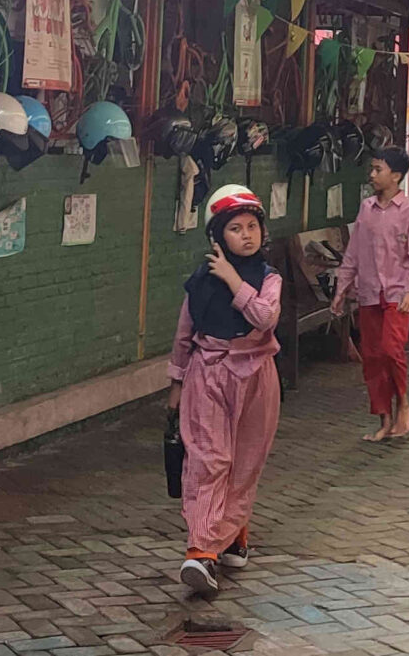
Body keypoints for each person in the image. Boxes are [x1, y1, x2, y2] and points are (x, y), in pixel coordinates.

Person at [168, 184, 282, 595]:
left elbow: (265, 317)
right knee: (209, 460)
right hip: (208, 371)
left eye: (253, 226)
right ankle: (200, 551)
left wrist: (235, 281)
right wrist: (176, 382)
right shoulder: (199, 282)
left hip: (256, 376)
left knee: (245, 461)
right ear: (218, 236)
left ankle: (235, 535)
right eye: (236, 228)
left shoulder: (269, 279)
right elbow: (185, 333)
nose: (247, 235)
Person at [334, 148, 409, 443]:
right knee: (372, 357)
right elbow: (354, 252)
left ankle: (403, 402)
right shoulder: (366, 209)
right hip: (369, 292)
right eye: (372, 170)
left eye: (378, 170)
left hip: (399, 295)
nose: (372, 175)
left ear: (396, 176)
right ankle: (384, 418)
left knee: (392, 350)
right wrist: (341, 289)